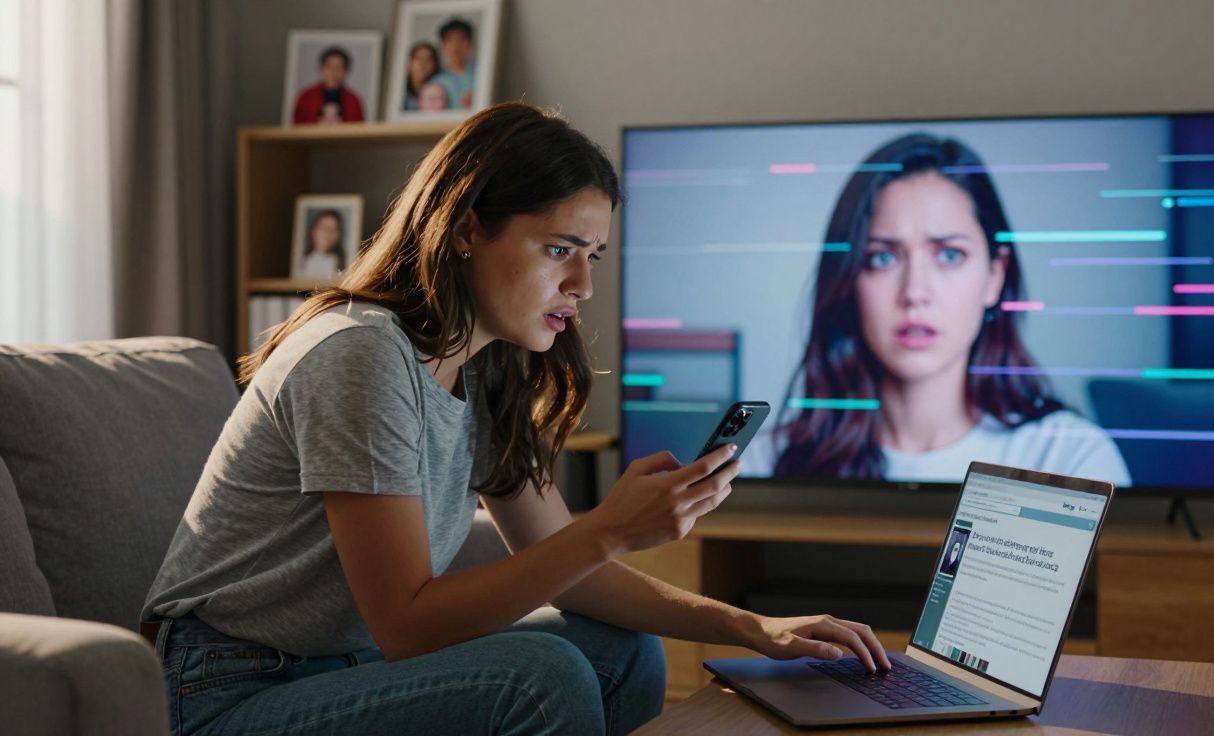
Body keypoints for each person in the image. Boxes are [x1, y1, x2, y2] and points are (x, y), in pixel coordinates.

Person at [141, 103, 890, 736]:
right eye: (560, 250)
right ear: (466, 231)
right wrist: (610, 529)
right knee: (541, 672)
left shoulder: (486, 366)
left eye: (593, 255)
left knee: (623, 649)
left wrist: (755, 629)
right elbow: (406, 624)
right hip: (229, 690)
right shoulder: (360, 354)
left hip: (352, 665)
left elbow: (569, 571)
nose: (583, 284)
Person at [759, 133, 1130, 486]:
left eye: (950, 255)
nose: (915, 292)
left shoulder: (1069, 459)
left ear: (995, 276)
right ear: (849, 279)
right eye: (883, 258)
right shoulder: (765, 463)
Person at [292, 46, 365, 124]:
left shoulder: (353, 100)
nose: (333, 72)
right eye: (329, 67)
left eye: (338, 68)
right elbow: (297, 127)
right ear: (321, 69)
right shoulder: (306, 97)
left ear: (346, 72)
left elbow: (359, 127)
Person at [433, 18, 476, 109]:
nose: (456, 46)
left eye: (461, 40)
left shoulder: (483, 74)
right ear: (443, 46)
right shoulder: (436, 81)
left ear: (470, 44)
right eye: (450, 40)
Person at [297, 209, 348, 280]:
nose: (328, 233)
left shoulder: (344, 264)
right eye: (323, 227)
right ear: (313, 231)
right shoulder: (301, 261)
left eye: (334, 229)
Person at [401, 41, 440, 111]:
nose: (422, 63)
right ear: (409, 62)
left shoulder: (440, 90)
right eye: (418, 58)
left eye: (428, 59)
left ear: (435, 65)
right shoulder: (399, 90)